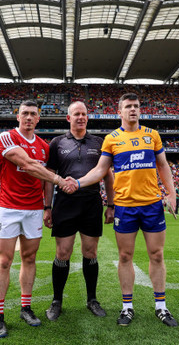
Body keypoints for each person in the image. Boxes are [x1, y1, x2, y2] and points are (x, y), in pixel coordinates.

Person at [64, 93, 179, 327]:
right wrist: (77, 182)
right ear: (120, 111)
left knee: (156, 255)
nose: (133, 110)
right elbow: (99, 171)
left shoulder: (152, 135)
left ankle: (161, 307)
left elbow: (163, 165)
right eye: (128, 106)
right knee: (125, 256)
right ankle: (127, 307)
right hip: (125, 206)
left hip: (151, 205)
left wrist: (172, 193)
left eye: (136, 106)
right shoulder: (112, 139)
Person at [0, 100, 72, 338]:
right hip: (9, 207)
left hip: (34, 209)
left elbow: (45, 180)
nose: (28, 117)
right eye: (24, 113)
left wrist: (48, 207)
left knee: (29, 258)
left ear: (38, 119)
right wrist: (60, 180)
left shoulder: (44, 147)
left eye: (33, 114)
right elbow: (26, 164)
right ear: (18, 116)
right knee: (5, 260)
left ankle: (25, 308)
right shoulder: (6, 138)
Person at [43, 101, 115, 321]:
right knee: (62, 252)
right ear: (68, 118)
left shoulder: (99, 142)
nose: (81, 117)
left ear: (87, 117)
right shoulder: (57, 143)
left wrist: (111, 205)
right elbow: (48, 176)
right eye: (76, 114)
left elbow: (108, 175)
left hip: (91, 201)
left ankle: (92, 299)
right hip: (65, 202)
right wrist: (47, 207)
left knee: (90, 252)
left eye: (84, 114)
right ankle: (57, 301)